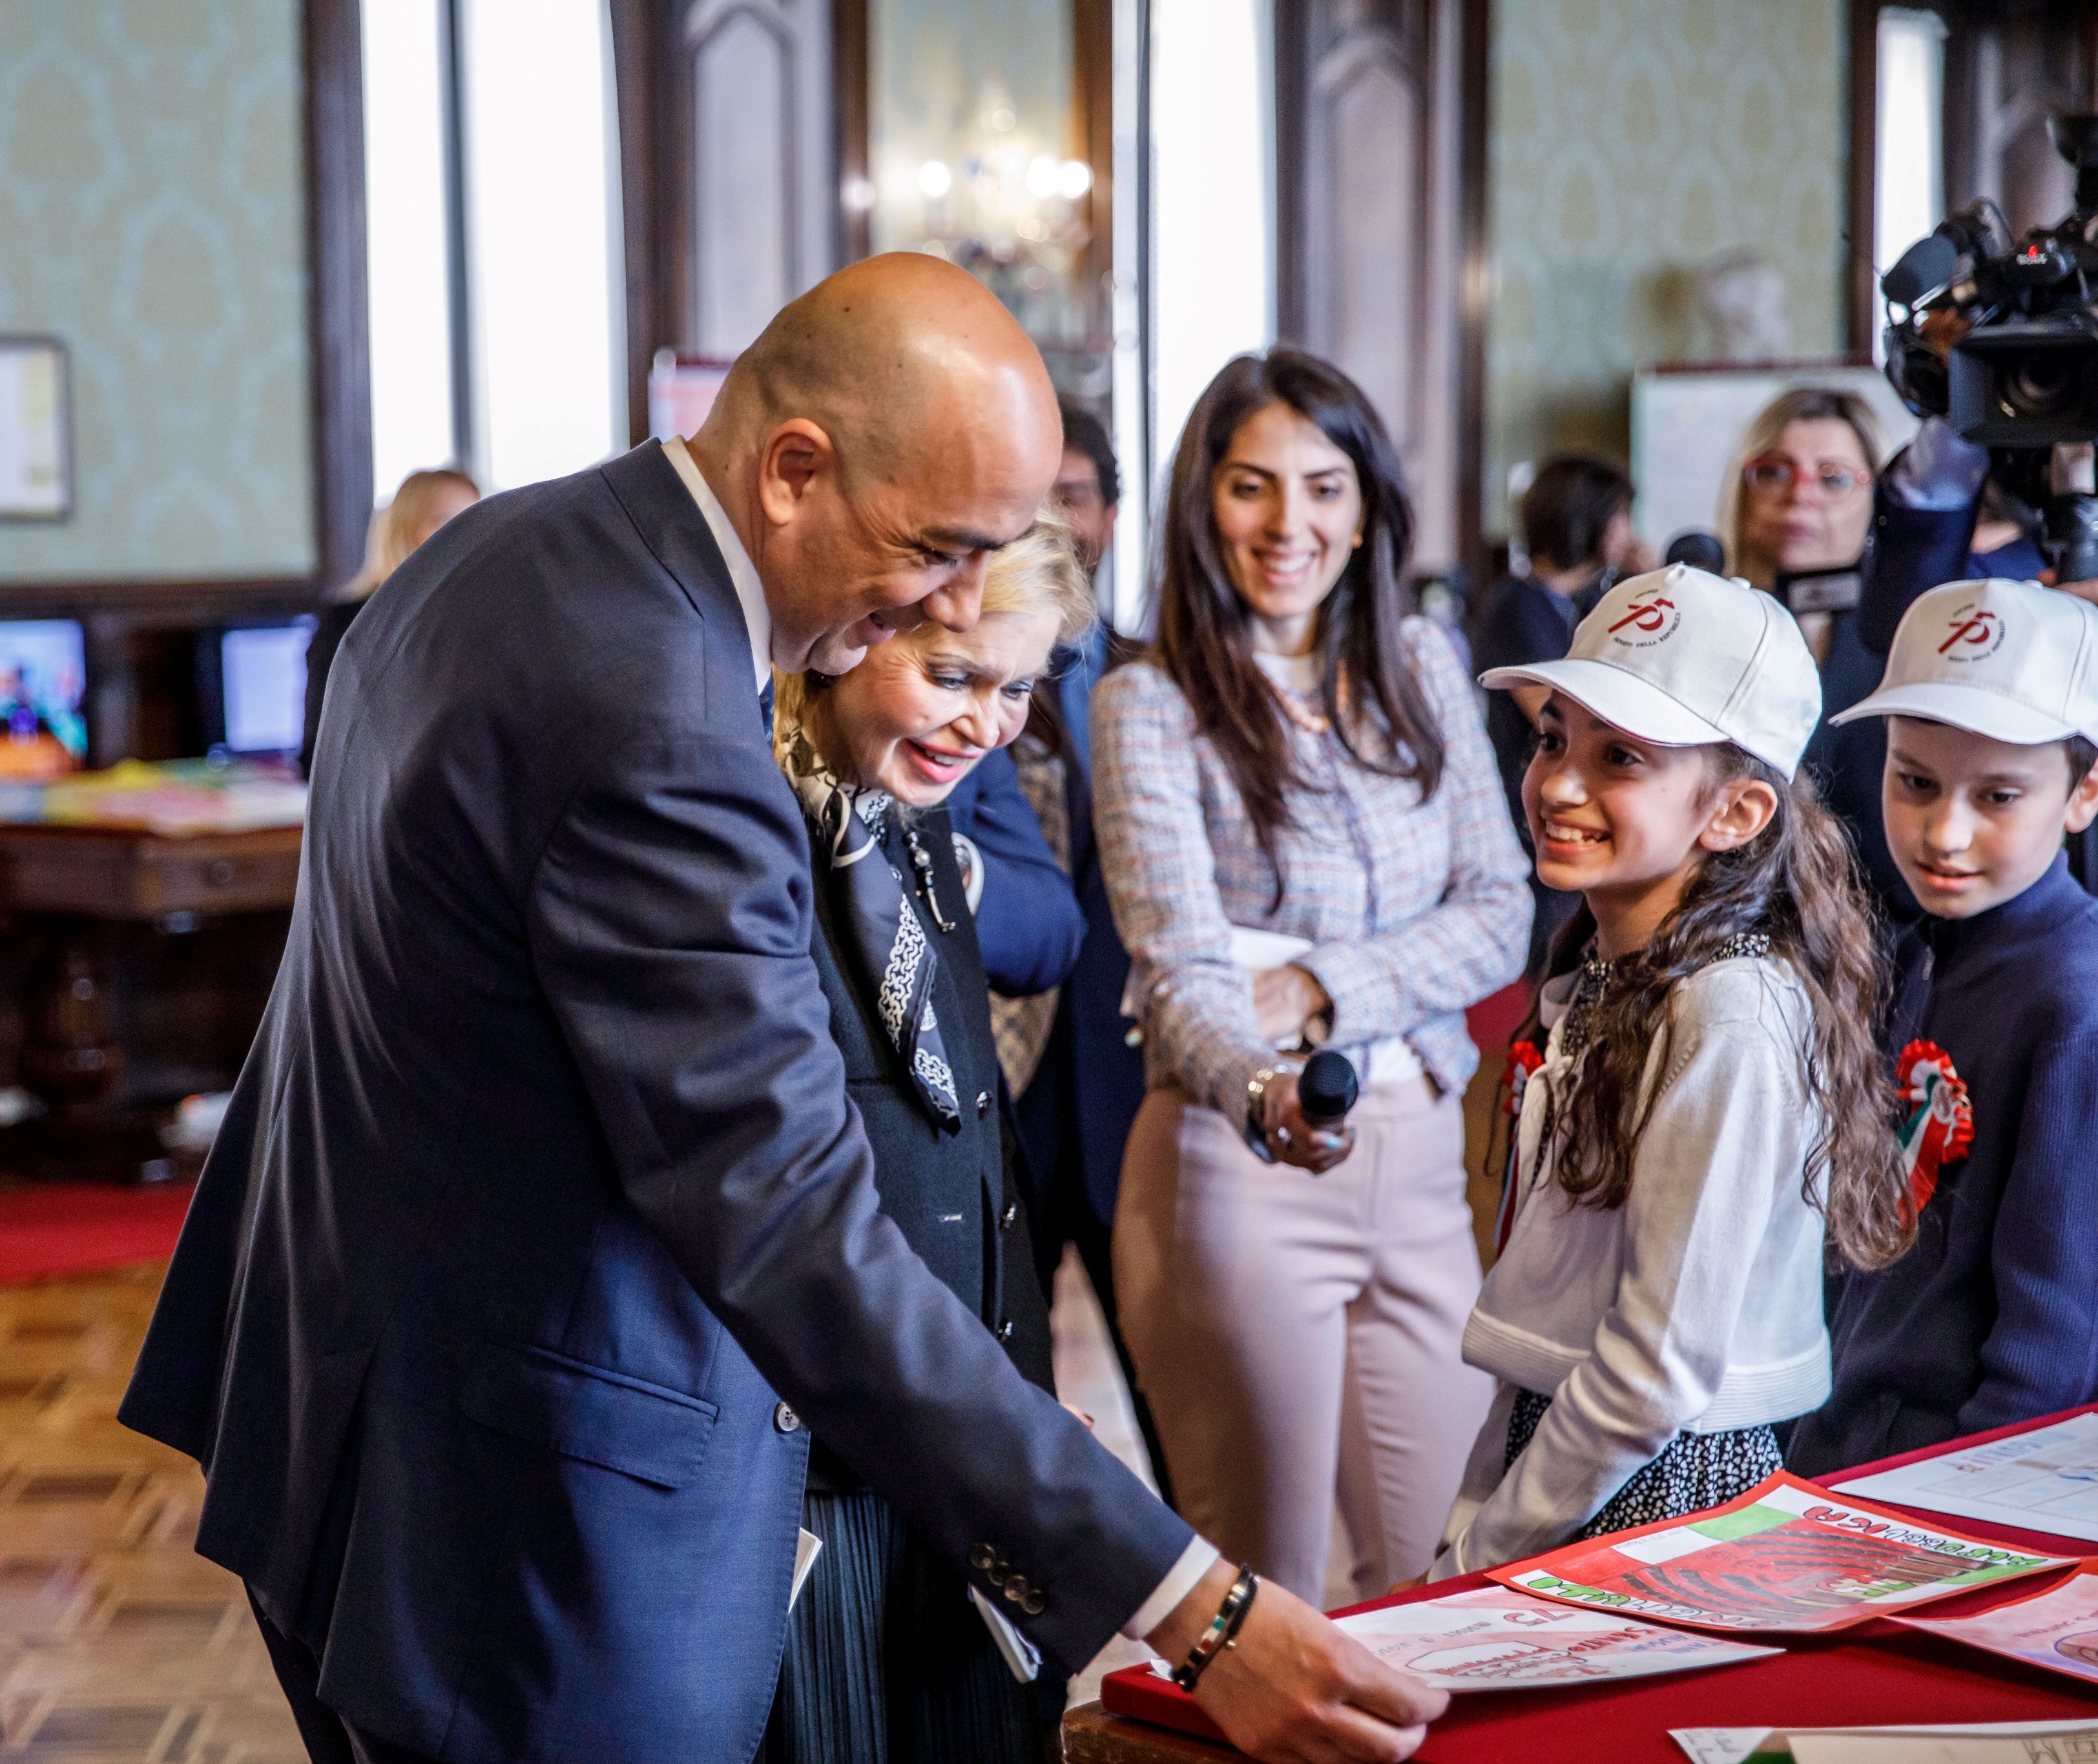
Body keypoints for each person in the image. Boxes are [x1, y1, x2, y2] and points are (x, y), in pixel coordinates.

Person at [116, 254, 1445, 1764]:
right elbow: (790, 1223)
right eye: (936, 549)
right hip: (522, 1517)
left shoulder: (502, 549)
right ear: (796, 469)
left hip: (342, 1412)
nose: (951, 603)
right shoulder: (667, 721)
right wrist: (1194, 1604)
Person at [1096, 347, 1531, 1606]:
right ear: (1201, 503)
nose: (1290, 523)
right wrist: (1264, 1089)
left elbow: (1500, 909)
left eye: (1324, 485)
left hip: (1421, 1161)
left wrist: (1324, 985)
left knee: (1446, 1576)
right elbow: (1179, 973)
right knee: (1261, 1597)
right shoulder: (1150, 702)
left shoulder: (1421, 661)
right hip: (1240, 1167)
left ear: (1367, 506)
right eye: (1251, 486)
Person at [1431, 566, 1911, 1578]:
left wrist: (1485, 1545)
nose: (1559, 782)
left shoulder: (1730, 1009)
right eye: (1555, 735)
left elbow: (1655, 1372)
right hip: (1575, 1455)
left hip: (1658, 1487)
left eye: (1623, 757)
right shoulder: (1615, 967)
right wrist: (1469, 1527)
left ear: (1736, 810)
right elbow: (1553, 1339)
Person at [762, 518, 1088, 1764]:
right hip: (825, 1460)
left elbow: (971, 1140)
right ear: (853, 633)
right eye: (953, 677)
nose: (986, 724)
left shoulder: (919, 828)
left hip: (974, 1423)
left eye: (1013, 690)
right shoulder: (749, 840)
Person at [1788, 577, 2098, 1477]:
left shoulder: (2073, 1005)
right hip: (1846, 1449)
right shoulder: (1917, 950)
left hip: (1955, 1485)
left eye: (1998, 796)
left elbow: (2053, 1335)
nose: (1944, 833)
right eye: (1914, 780)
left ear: (2083, 793)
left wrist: (1964, 1506)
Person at [950, 400, 1169, 1493]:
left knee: (1176, 1408)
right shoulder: (944, 671)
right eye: (1025, 500)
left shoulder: (1158, 680)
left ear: (1110, 513)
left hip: (1125, 1079)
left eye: (1069, 496)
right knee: (997, 1388)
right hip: (996, 1078)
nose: (1049, 519)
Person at [1471, 456, 1651, 971]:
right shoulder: (1518, 604)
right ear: (1587, 519)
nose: (1627, 533)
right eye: (1620, 518)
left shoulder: (1582, 601)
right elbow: (1557, 715)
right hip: (1535, 801)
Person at [300, 466, 480, 776]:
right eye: (446, 520)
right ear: (405, 530)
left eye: (475, 521)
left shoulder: (477, 618)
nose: (465, 536)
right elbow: (318, 749)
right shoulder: (349, 622)